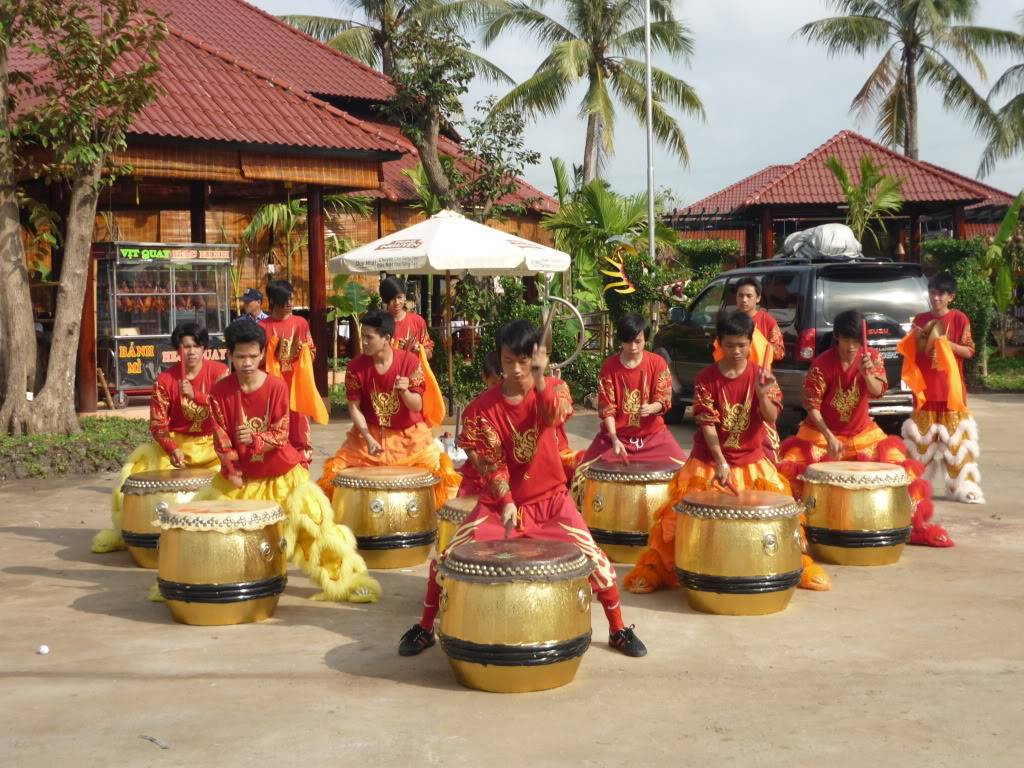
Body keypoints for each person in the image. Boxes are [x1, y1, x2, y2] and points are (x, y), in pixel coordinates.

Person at [397, 319, 647, 658]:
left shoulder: (555, 388)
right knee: (444, 560)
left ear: (535, 358)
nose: (515, 370)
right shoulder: (479, 410)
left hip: (552, 502)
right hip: (499, 506)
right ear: (499, 359)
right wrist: (506, 501)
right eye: (507, 361)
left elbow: (553, 414)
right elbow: (489, 462)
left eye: (522, 361)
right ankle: (426, 628)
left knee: (598, 563)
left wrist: (541, 379)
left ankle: (618, 629)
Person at [624, 310, 829, 594]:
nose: (737, 351)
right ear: (719, 343)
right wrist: (720, 462)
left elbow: (770, 417)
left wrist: (760, 393)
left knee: (779, 518)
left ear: (750, 342)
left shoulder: (763, 375)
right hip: (709, 460)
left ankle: (786, 566)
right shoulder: (707, 378)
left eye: (743, 344)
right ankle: (664, 568)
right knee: (679, 521)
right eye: (731, 344)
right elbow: (707, 426)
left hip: (752, 460)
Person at [196, 319, 380, 602]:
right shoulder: (220, 393)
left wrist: (255, 440)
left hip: (283, 473)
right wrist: (232, 463)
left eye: (253, 356)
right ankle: (192, 579)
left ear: (261, 354)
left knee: (316, 530)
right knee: (201, 526)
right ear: (230, 356)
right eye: (240, 356)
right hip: (242, 475)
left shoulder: (277, 386)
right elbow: (220, 437)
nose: (247, 362)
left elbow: (282, 434)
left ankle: (345, 579)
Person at [778, 310, 950, 547]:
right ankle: (798, 532)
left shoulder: (871, 357)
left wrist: (867, 373)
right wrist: (829, 436)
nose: (852, 346)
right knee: (791, 470)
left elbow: (878, 391)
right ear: (837, 336)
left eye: (857, 341)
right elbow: (812, 406)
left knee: (900, 467)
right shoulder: (821, 364)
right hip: (820, 432)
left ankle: (909, 525)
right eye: (847, 340)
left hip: (861, 433)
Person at [92, 323, 227, 554]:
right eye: (186, 346)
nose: (191, 351)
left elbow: (227, 411)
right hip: (176, 447)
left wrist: (199, 396)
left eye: (196, 346)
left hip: (212, 446)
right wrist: (171, 447)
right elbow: (158, 424)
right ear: (178, 350)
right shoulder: (165, 380)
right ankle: (144, 535)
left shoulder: (220, 373)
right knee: (130, 481)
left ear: (205, 348)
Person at [317, 310, 459, 508]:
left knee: (443, 475)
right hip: (370, 435)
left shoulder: (410, 362)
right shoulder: (355, 367)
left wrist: (405, 392)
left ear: (387, 338)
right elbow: (354, 408)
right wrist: (368, 438)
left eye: (369, 337)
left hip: (410, 437)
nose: (363, 341)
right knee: (333, 473)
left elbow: (417, 405)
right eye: (362, 335)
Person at [900, 273, 984, 504]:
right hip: (925, 391)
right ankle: (913, 488)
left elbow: (969, 351)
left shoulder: (959, 319)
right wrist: (918, 336)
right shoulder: (921, 318)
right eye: (932, 293)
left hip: (951, 392)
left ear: (951, 297)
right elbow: (913, 351)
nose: (935, 298)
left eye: (940, 294)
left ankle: (965, 488)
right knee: (920, 445)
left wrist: (947, 344)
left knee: (957, 445)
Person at [576, 313, 686, 468]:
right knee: (583, 473)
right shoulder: (609, 367)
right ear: (621, 340)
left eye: (637, 341)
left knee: (684, 470)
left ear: (645, 339)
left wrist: (652, 407)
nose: (633, 347)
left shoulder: (657, 363)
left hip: (653, 436)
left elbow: (664, 400)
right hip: (616, 436)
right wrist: (614, 438)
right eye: (628, 342)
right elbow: (607, 409)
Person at [259, 280, 320, 466]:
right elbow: (256, 360)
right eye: (285, 300)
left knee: (299, 429)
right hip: (272, 389)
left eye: (291, 299)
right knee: (274, 427)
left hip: (296, 386)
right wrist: (271, 352)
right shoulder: (262, 327)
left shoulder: (301, 323)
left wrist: (303, 351)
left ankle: (301, 465)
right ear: (273, 301)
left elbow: (312, 353)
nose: (289, 303)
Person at [713, 277, 785, 367]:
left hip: (758, 375)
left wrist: (757, 343)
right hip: (731, 373)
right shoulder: (728, 321)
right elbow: (720, 347)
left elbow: (779, 353)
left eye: (749, 296)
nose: (744, 300)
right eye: (740, 295)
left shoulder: (768, 321)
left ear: (758, 298)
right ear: (736, 297)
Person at [380, 277, 433, 358]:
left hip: (414, 370)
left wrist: (415, 348)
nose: (397, 302)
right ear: (385, 300)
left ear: (405, 297)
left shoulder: (417, 321)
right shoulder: (379, 323)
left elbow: (429, 354)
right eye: (392, 299)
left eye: (399, 297)